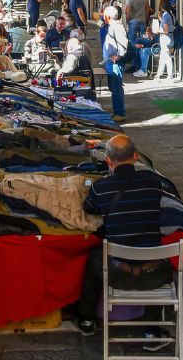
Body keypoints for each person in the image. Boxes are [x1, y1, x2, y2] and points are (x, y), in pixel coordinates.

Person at [74, 135, 170, 348]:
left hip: (116, 272)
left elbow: (89, 207)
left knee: (94, 259)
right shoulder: (154, 183)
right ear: (135, 157)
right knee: (157, 253)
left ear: (108, 160)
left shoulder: (101, 188)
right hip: (154, 274)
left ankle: (86, 319)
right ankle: (152, 333)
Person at [102, 5, 129, 122]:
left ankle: (119, 113)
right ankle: (118, 111)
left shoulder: (117, 27)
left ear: (108, 16)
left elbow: (123, 42)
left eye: (104, 15)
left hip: (115, 63)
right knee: (114, 87)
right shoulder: (113, 26)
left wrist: (119, 56)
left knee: (116, 87)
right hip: (111, 62)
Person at [123, 0, 150, 73]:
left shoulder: (129, 0)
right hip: (142, 22)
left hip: (133, 23)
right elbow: (147, 10)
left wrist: (127, 23)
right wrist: (145, 20)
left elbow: (128, 13)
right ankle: (143, 64)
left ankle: (134, 64)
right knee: (144, 42)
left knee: (133, 43)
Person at [154, 0, 179, 81]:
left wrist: (158, 31)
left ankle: (170, 74)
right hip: (171, 37)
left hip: (166, 38)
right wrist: (161, 20)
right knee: (163, 56)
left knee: (166, 57)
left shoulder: (165, 16)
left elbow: (165, 30)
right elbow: (170, 25)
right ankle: (159, 74)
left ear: (162, 7)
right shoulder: (171, 15)